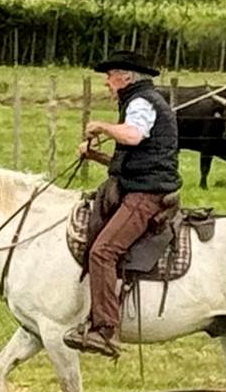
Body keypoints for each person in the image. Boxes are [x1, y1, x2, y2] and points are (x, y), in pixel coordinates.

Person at [64, 52, 180, 358]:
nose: (106, 82)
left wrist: (102, 126)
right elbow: (133, 157)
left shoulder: (141, 102)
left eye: (110, 75)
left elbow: (133, 136)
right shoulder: (139, 100)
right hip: (140, 185)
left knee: (103, 252)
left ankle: (104, 330)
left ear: (126, 77)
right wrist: (96, 156)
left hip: (146, 194)